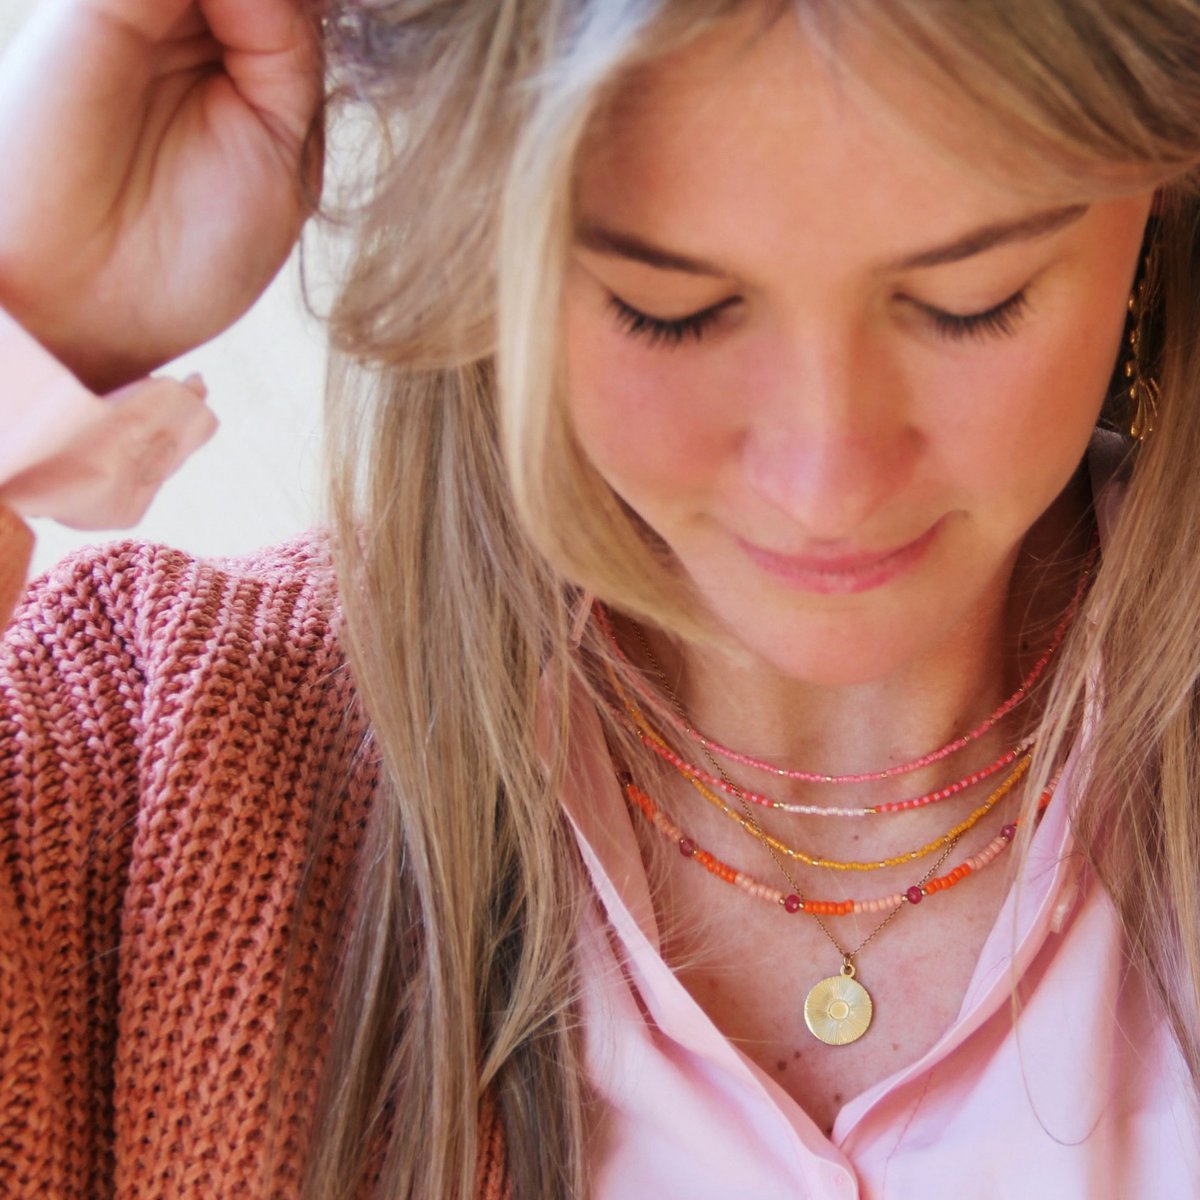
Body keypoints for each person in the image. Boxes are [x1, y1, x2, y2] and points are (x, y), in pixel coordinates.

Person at [1, 0, 1198, 1197]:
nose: (825, 481)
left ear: (1157, 207)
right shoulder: (142, 754)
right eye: (667, 310)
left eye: (970, 299)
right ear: (483, 248)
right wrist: (27, 308)